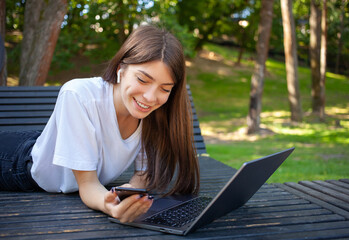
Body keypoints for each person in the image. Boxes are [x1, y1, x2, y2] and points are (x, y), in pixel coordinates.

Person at [0, 25, 200, 223]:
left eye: (165, 89)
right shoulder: (79, 95)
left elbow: (144, 173)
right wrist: (109, 205)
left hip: (53, 145)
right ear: (121, 69)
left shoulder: (153, 114)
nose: (150, 97)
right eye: (142, 79)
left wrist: (131, 191)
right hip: (19, 164)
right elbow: (87, 185)